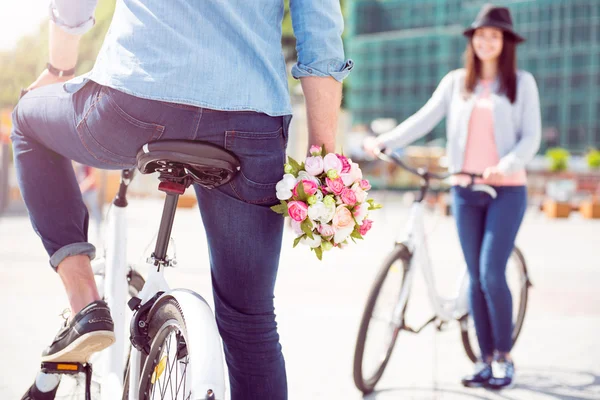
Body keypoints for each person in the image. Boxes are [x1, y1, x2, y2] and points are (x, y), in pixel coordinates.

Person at [13, 1, 352, 399]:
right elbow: (321, 28)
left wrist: (60, 71)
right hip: (251, 122)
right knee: (250, 320)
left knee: (26, 120)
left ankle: (85, 304)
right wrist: (323, 159)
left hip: (135, 101)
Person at [364, 4, 540, 390]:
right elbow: (424, 118)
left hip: (505, 190)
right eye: (480, 34)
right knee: (475, 276)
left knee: (492, 272)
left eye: (494, 35)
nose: (486, 40)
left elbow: (532, 137)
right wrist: (386, 142)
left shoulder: (521, 83)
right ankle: (483, 359)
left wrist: (507, 164)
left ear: (506, 42)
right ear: (473, 40)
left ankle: (503, 358)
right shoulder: (456, 83)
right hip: (464, 190)